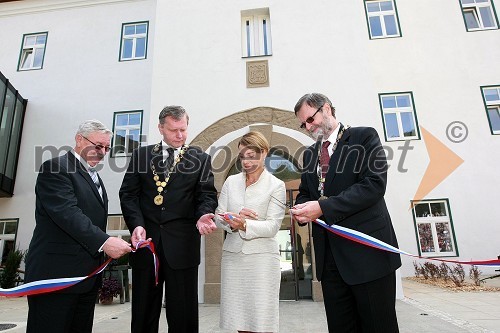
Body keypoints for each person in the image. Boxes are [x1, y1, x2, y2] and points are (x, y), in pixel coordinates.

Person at [290, 93, 402, 333]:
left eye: (310, 119)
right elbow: (305, 193)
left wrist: (322, 208)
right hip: (330, 262)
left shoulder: (364, 136)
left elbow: (373, 185)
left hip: (368, 256)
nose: (309, 127)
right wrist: (300, 209)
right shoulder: (310, 154)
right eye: (304, 124)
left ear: (327, 109)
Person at [24, 120, 132, 333]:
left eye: (107, 148)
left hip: (86, 279)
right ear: (79, 139)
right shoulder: (56, 167)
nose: (102, 152)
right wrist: (104, 242)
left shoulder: (95, 177)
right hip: (56, 277)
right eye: (98, 146)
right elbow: (67, 213)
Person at [119, 105, 218, 333]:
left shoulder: (200, 158)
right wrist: (137, 224)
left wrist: (204, 213)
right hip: (147, 245)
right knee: (144, 310)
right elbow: (128, 194)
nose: (180, 135)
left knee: (183, 312)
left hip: (183, 245)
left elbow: (206, 194)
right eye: (174, 130)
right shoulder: (141, 155)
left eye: (183, 129)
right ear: (161, 128)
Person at [215, 131, 286, 333]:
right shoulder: (231, 182)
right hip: (233, 259)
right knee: (239, 321)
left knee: (261, 321)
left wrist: (244, 225)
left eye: (251, 155)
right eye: (242, 156)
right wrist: (233, 218)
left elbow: (273, 226)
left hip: (262, 261)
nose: (246, 161)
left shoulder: (277, 185)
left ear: (264, 153)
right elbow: (219, 216)